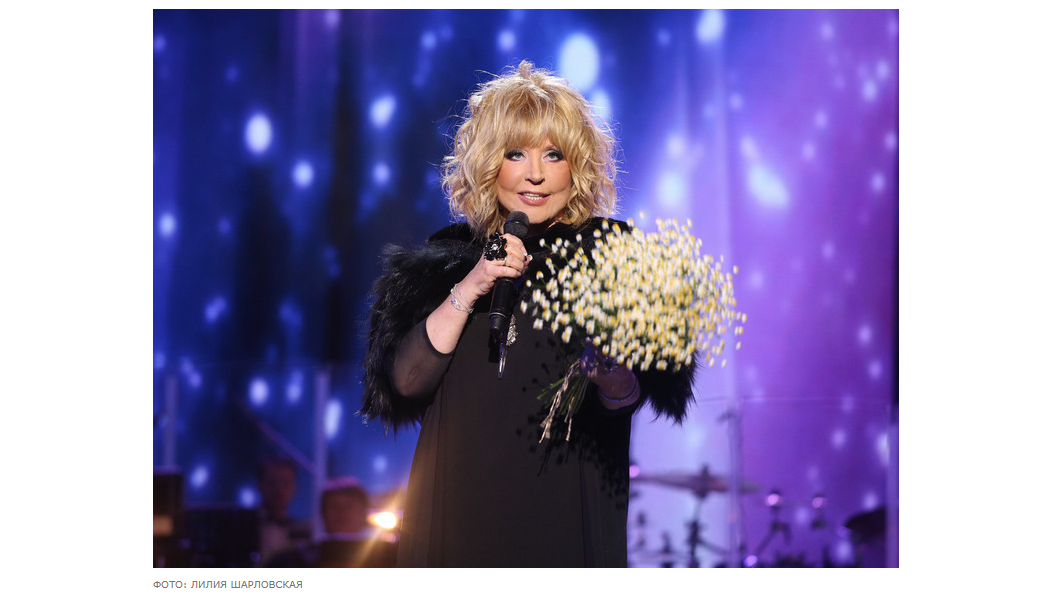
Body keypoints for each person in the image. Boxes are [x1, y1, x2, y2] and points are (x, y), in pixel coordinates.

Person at [361, 60, 695, 567]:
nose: (535, 173)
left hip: (562, 510)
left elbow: (631, 396)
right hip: (459, 513)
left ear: (576, 166)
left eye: (553, 155)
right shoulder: (444, 259)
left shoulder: (612, 258)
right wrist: (472, 284)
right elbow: (405, 383)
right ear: (489, 162)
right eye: (516, 153)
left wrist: (611, 377)